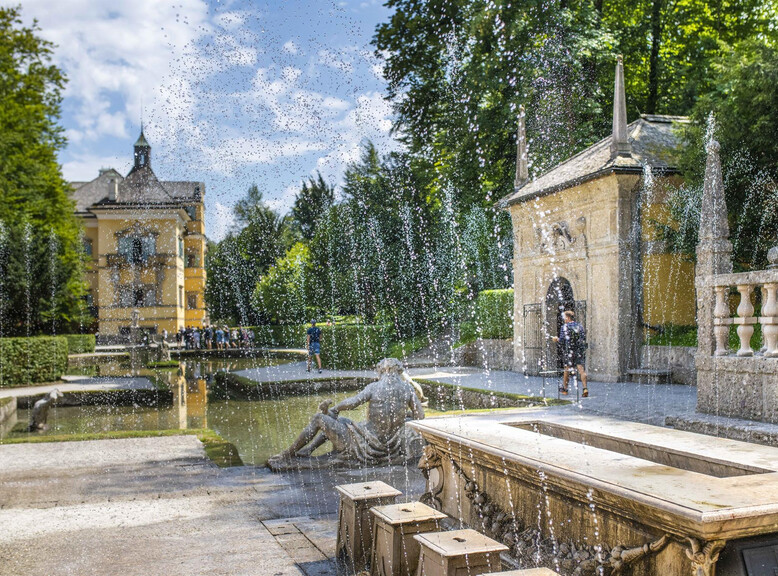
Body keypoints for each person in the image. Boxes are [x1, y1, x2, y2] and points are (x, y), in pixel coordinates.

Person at [270, 358, 424, 466]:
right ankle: (308, 450)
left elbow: (352, 403)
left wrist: (335, 409)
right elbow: (420, 417)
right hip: (389, 445)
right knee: (342, 422)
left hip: (366, 446)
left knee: (319, 419)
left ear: (382, 370)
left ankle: (286, 454)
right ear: (397, 371)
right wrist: (405, 416)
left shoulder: (374, 387)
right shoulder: (407, 389)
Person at [552, 310, 588, 397]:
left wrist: (556, 339)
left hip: (569, 351)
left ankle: (565, 389)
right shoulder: (579, 326)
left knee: (567, 369)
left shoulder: (565, 326)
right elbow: (583, 337)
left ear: (568, 317)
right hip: (578, 350)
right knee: (581, 369)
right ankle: (585, 388)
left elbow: (562, 341)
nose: (564, 319)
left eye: (564, 317)